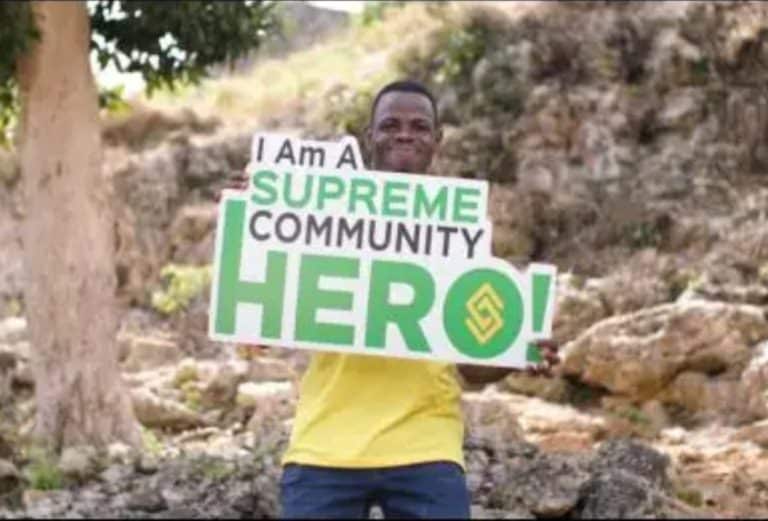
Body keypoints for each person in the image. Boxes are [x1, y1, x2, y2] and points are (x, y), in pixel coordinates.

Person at [222, 80, 559, 519]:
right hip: (325, 446)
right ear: (370, 136)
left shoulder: (460, 235)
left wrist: (516, 350)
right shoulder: (322, 216)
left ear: (437, 139)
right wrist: (251, 218)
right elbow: (261, 325)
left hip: (427, 449)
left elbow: (470, 366)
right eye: (390, 125)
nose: (404, 134)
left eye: (419, 126)